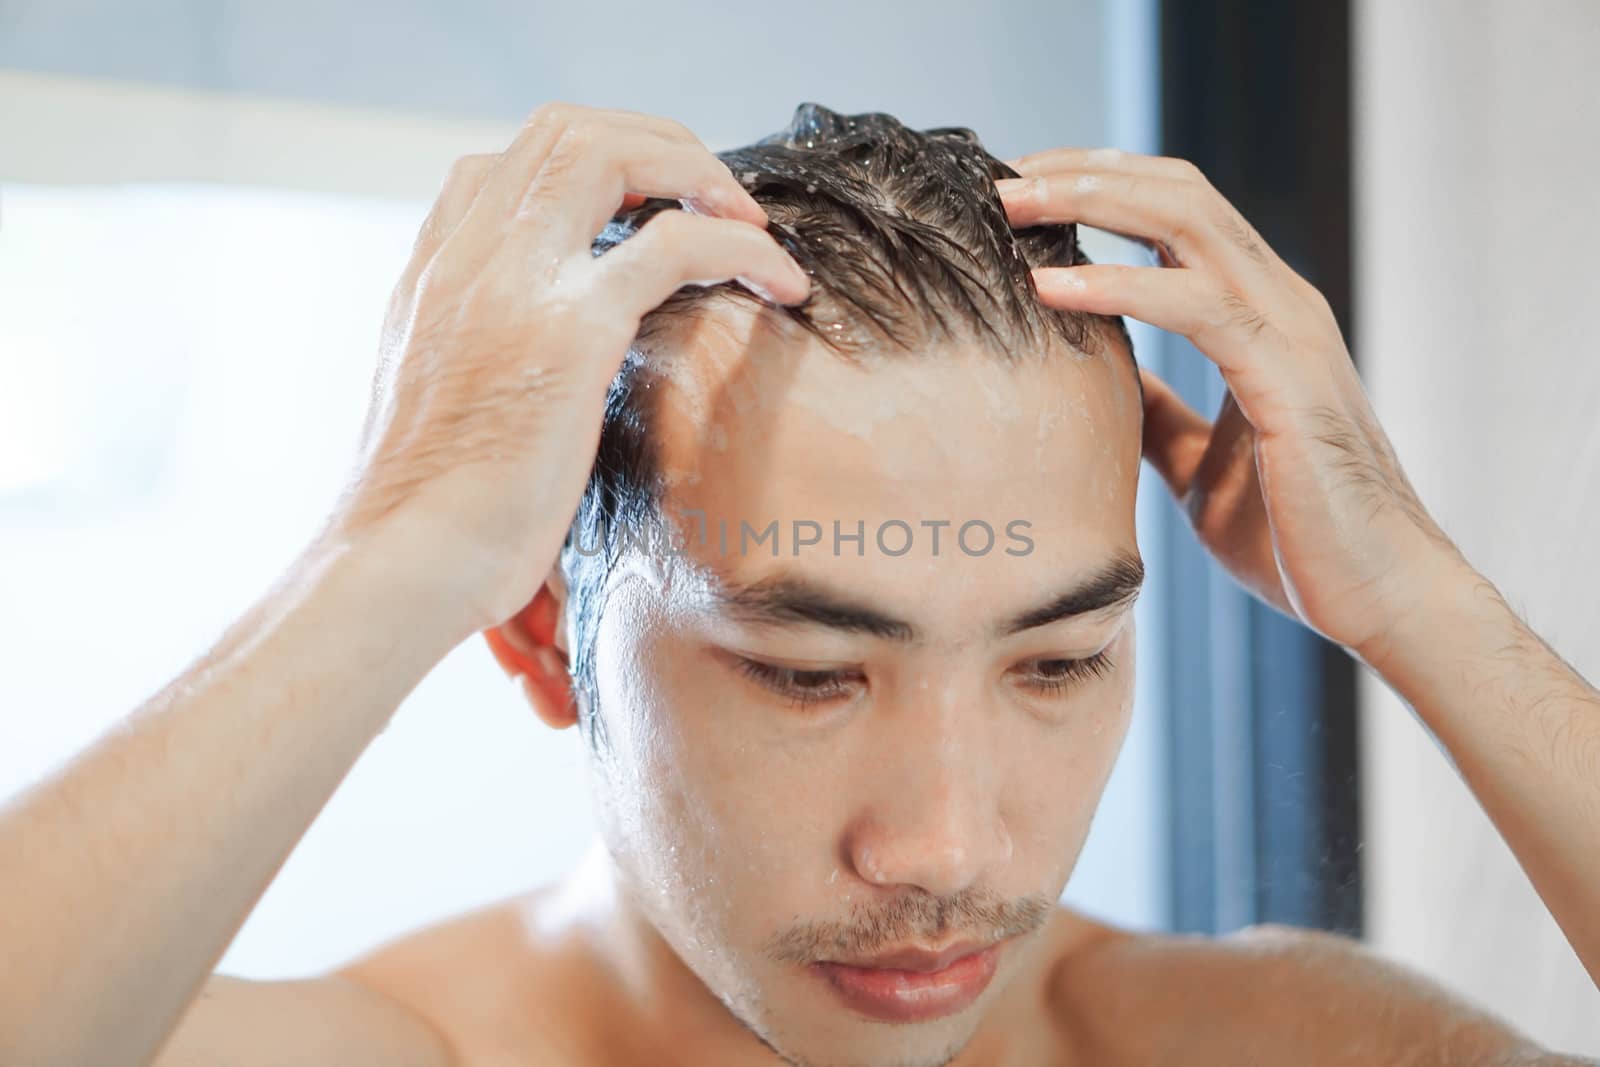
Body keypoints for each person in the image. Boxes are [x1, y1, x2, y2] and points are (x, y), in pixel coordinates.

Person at [1, 101, 1596, 1067]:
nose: (951, 847)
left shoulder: (1248, 1049)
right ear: (546, 637)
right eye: (809, 674)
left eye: (1055, 664)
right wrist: (394, 548)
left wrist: (1422, 600)